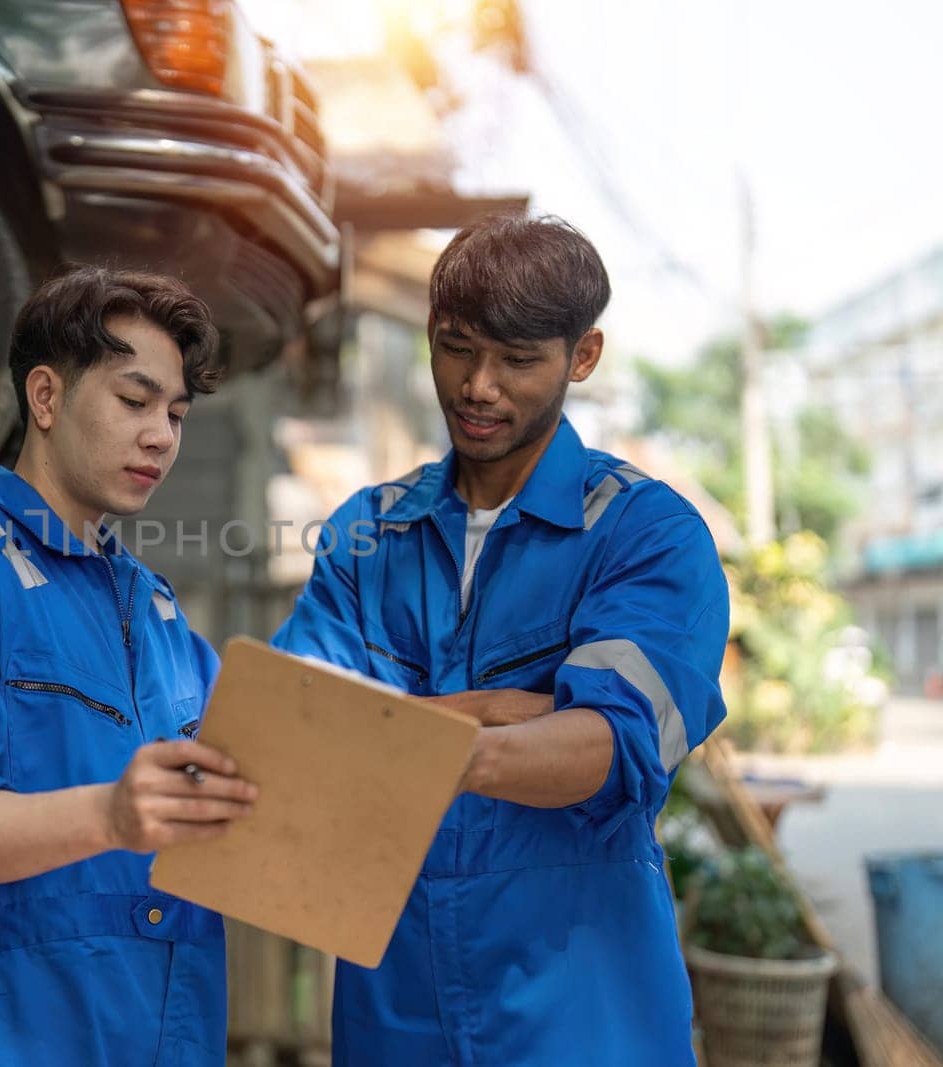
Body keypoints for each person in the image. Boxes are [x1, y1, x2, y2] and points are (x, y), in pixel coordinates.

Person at [273, 215, 729, 1066]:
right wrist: (503, 715)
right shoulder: (368, 533)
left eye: (518, 360)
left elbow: (613, 745)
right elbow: (291, 730)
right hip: (393, 1008)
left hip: (583, 1013)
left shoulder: (648, 534)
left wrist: (408, 737)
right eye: (456, 349)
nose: (478, 386)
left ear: (582, 356)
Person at [0, 265, 257, 1066]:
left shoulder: (157, 608)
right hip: (11, 1040)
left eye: (176, 414)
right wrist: (111, 815)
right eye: (134, 402)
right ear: (45, 397)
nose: (161, 436)